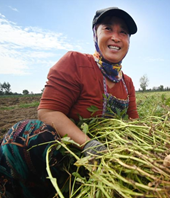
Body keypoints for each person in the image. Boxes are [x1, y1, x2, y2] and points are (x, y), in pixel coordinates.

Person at [0, 7, 138, 198]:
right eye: (108, 29)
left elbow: (133, 124)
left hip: (113, 156)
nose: (116, 37)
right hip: (68, 155)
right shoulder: (74, 62)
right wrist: (88, 145)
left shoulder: (127, 82)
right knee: (24, 133)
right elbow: (48, 112)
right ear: (95, 34)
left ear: (128, 41)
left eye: (123, 32)